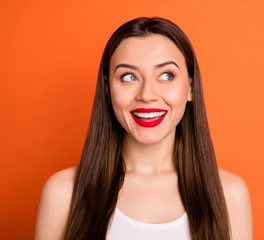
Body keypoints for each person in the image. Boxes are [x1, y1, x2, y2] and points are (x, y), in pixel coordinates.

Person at [35, 17, 253, 240]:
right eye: (129, 77)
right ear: (108, 90)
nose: (147, 95)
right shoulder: (63, 193)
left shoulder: (229, 195)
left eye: (166, 75)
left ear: (191, 88)